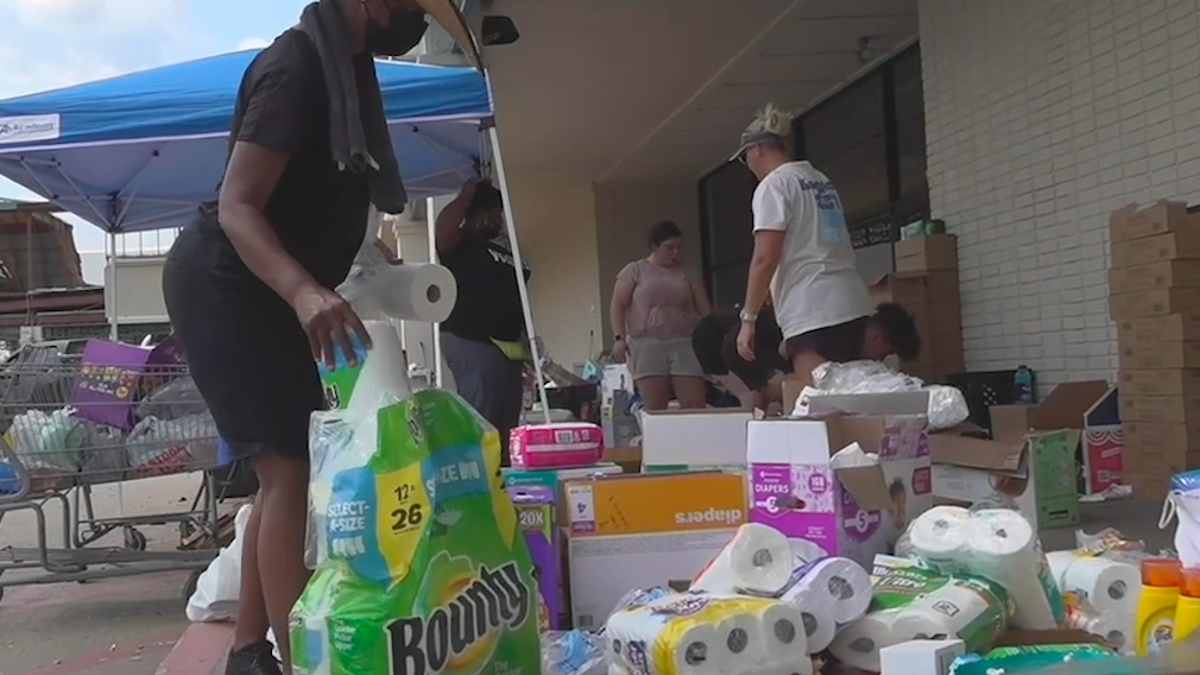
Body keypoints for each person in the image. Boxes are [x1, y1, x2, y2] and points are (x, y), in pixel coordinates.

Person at [161, 2, 433, 674]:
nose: (418, 14)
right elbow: (238, 203)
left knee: (281, 469)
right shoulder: (298, 68)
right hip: (228, 282)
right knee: (287, 467)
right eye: (412, 2)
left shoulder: (345, 69)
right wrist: (305, 291)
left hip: (268, 289)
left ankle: (251, 651)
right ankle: (305, 658)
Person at [731, 103, 874, 387]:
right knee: (852, 396)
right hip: (851, 301)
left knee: (824, 402)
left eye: (745, 157)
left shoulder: (774, 186)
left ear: (756, 150)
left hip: (812, 308)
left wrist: (748, 318)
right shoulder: (819, 180)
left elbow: (764, 258)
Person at [435, 178, 530, 463]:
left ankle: (502, 484)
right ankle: (478, 483)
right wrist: (466, 196)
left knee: (507, 423)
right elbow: (443, 229)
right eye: (492, 213)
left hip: (509, 346)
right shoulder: (461, 244)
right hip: (472, 338)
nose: (497, 219)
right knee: (482, 419)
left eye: (499, 213)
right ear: (476, 214)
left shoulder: (503, 249)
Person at [692, 302, 922, 408]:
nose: (878, 361)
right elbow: (799, 370)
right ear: (879, 338)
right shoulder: (839, 337)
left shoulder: (851, 324)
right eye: (885, 353)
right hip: (735, 345)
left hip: (744, 337)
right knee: (769, 396)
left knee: (771, 397)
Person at [610, 220, 712, 411]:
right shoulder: (635, 271)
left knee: (694, 403)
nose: (675, 252)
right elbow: (618, 305)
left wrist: (709, 337)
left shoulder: (689, 273)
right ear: (654, 247)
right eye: (669, 248)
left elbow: (704, 310)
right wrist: (619, 338)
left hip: (684, 341)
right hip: (647, 343)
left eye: (678, 248)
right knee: (655, 404)